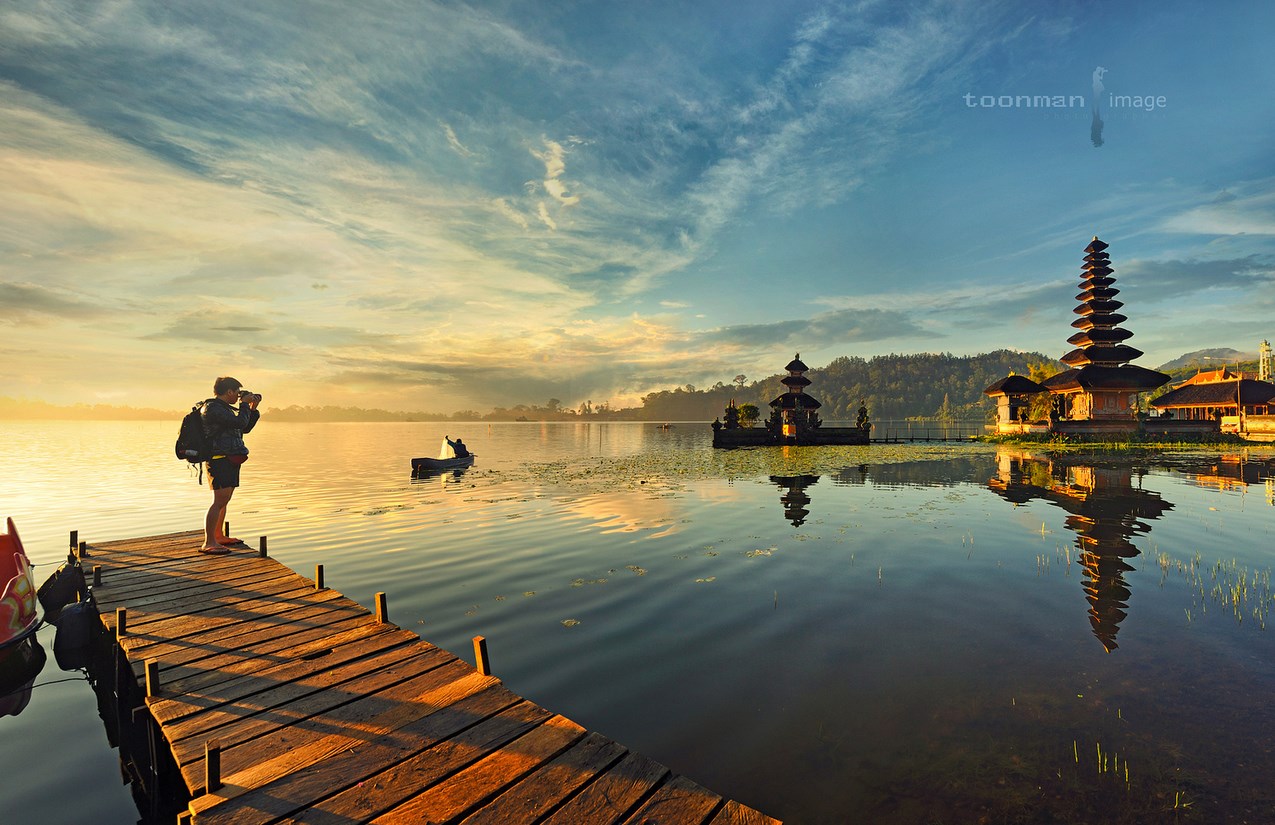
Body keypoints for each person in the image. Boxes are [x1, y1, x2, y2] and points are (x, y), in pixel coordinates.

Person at [200, 377, 261, 555]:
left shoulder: (225, 409)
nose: (238, 396)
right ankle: (208, 542)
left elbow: (244, 428)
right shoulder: (213, 408)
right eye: (237, 393)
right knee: (218, 501)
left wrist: (252, 409)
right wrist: (243, 404)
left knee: (224, 501)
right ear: (229, 392)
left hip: (230, 458)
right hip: (219, 459)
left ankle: (218, 536)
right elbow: (239, 423)